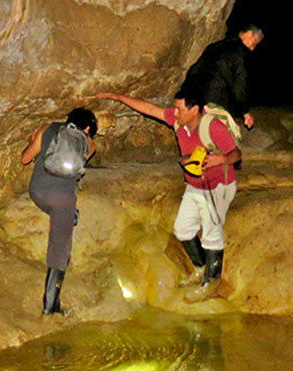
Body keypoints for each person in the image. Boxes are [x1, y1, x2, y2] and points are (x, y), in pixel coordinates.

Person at [97, 90, 240, 300]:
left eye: (180, 108)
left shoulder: (212, 127)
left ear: (194, 110)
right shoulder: (177, 120)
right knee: (183, 229)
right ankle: (201, 268)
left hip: (218, 185)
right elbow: (149, 108)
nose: (175, 112)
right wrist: (119, 97)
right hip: (195, 184)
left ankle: (212, 283)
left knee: (211, 233)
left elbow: (236, 154)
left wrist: (222, 159)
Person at [20, 108, 98, 315]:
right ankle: (50, 310)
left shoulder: (47, 128)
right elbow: (76, 169)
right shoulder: (90, 144)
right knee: (60, 250)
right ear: (88, 128)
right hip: (62, 199)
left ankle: (65, 216)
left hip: (37, 192)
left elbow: (25, 159)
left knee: (61, 216)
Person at [179, 24, 263, 130]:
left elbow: (194, 69)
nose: (252, 48)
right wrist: (245, 112)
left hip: (195, 96)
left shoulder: (215, 46)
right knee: (220, 133)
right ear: (248, 34)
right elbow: (240, 84)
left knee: (200, 131)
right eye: (254, 42)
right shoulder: (240, 52)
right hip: (216, 100)